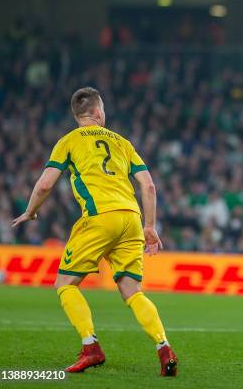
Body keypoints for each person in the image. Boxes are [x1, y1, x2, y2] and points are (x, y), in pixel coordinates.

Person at [12, 87, 178, 376]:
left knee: (64, 283)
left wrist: (30, 211)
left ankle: (91, 348)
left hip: (100, 217)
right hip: (132, 218)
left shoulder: (69, 141)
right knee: (131, 290)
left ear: (78, 114)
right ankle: (164, 349)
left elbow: (45, 184)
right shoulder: (123, 143)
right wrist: (150, 226)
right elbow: (149, 186)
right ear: (99, 113)